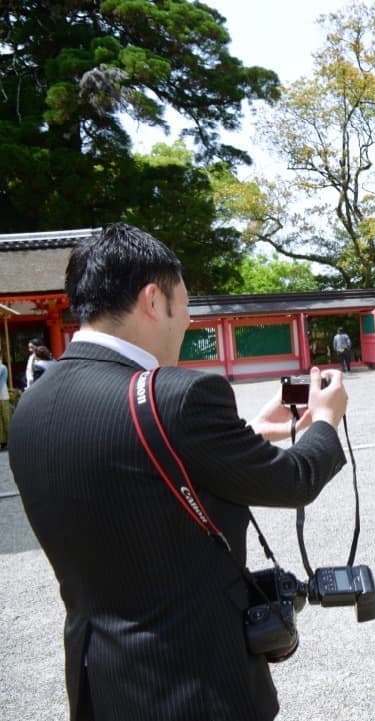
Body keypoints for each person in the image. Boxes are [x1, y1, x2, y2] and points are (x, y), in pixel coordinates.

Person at [8, 223, 348, 721]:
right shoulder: (179, 396)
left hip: (99, 680)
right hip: (196, 680)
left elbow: (127, 475)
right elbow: (295, 479)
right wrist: (325, 419)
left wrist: (248, 432)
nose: (187, 321)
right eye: (184, 304)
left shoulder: (32, 407)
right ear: (153, 300)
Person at [0, 352, 9, 450]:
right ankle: (2, 441)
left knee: (6, 418)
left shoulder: (3, 368)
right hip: (2, 396)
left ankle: (8, 440)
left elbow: (1, 382)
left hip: (3, 396)